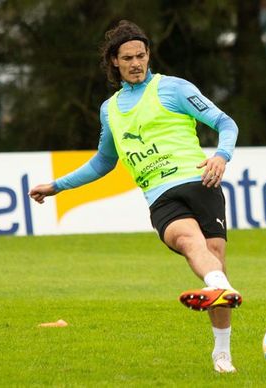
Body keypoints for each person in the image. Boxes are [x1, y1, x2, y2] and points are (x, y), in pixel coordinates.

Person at [28, 20, 242, 373]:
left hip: (201, 182)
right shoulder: (109, 110)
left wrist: (221, 155)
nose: (136, 63)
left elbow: (226, 123)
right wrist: (57, 186)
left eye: (141, 55)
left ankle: (222, 352)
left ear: (148, 55)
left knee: (214, 257)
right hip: (161, 196)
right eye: (127, 58)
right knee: (190, 242)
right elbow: (103, 162)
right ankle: (218, 284)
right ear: (114, 61)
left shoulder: (173, 89)